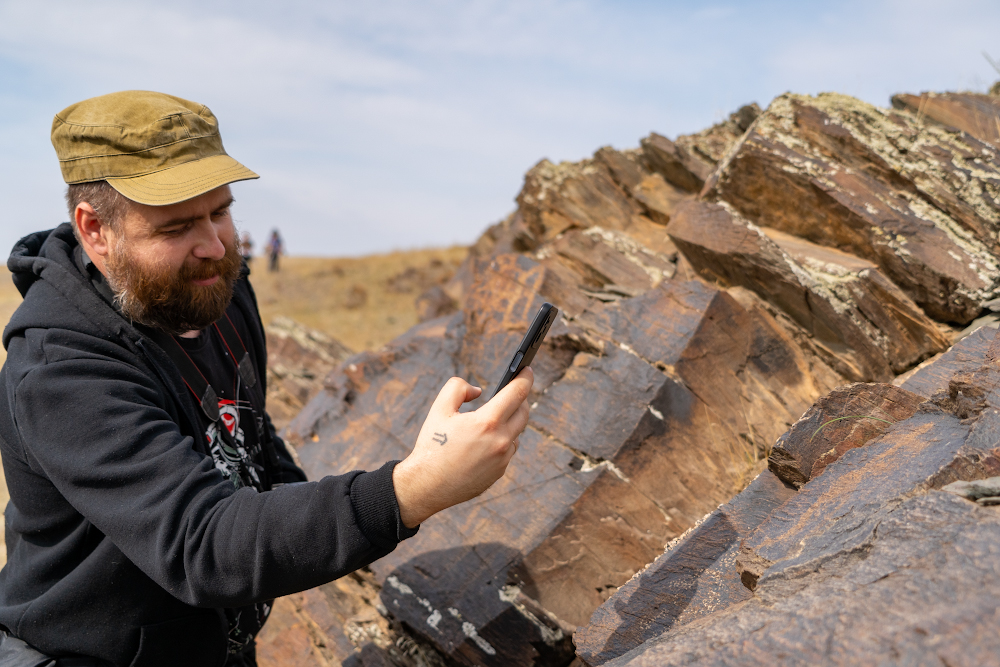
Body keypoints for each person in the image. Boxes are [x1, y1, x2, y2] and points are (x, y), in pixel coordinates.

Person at [0, 91, 532, 667]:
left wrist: (307, 515)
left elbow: (247, 429)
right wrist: (411, 489)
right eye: (176, 227)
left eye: (220, 211)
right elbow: (199, 544)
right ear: (95, 230)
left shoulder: (218, 290)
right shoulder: (61, 366)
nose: (214, 245)